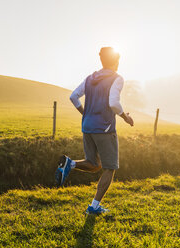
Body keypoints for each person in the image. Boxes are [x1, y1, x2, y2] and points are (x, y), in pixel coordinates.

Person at [55, 47, 134, 214]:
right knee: (109, 168)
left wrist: (85, 113)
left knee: (94, 163)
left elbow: (73, 96)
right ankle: (94, 207)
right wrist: (125, 117)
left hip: (87, 127)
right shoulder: (117, 78)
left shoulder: (90, 78)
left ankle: (71, 163)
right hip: (104, 129)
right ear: (116, 62)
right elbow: (113, 103)